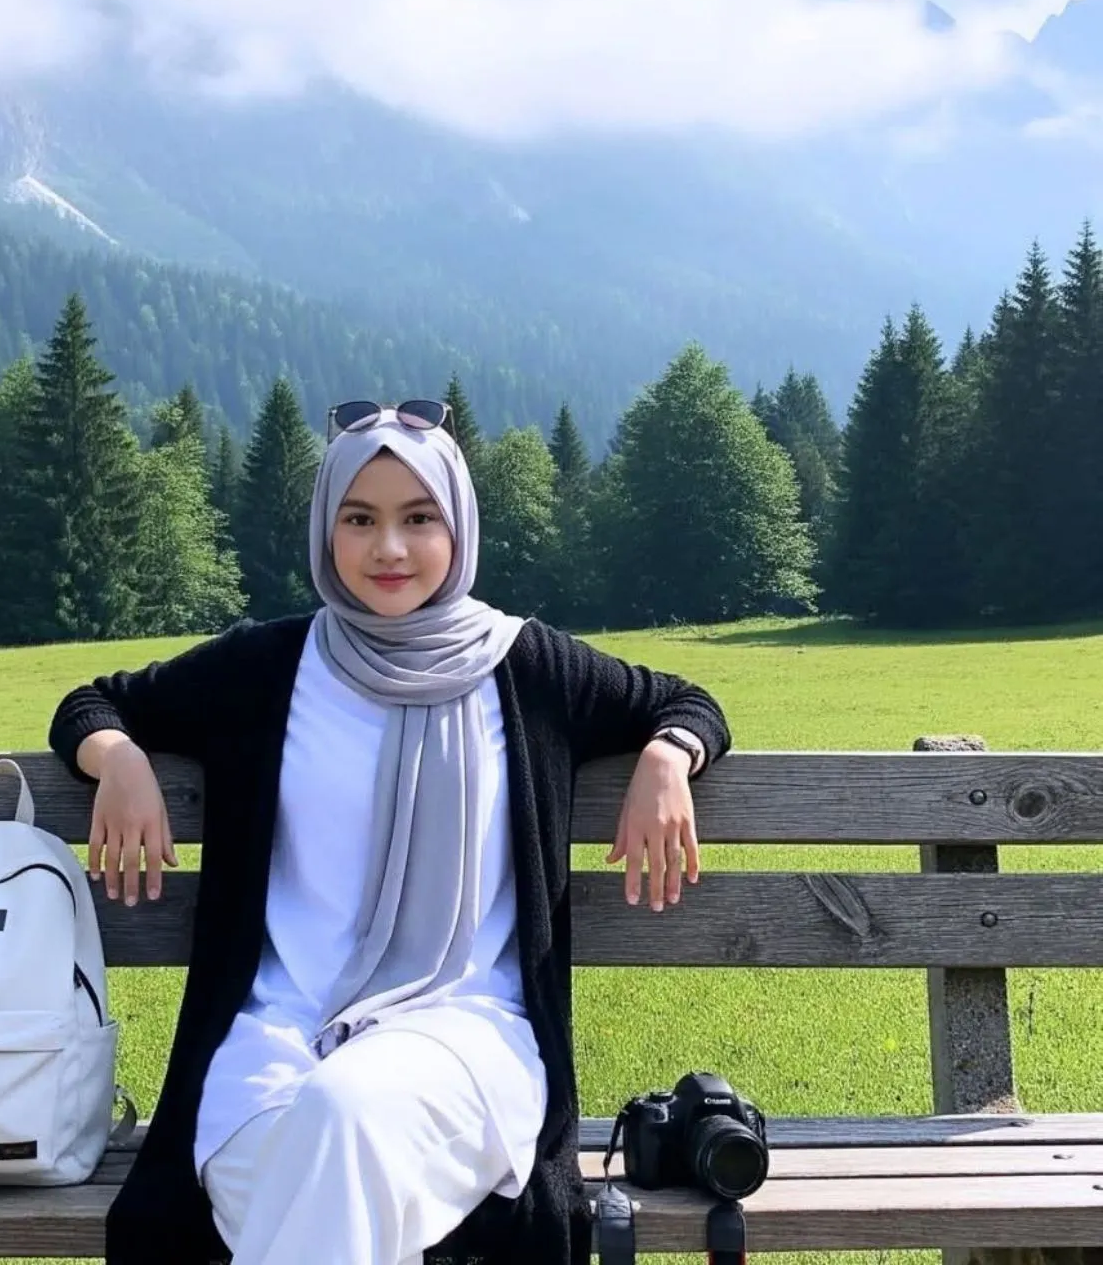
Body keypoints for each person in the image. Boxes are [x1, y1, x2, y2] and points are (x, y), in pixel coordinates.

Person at [48, 398, 732, 1265]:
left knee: (341, 1122)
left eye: (419, 518)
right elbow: (93, 703)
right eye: (359, 519)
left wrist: (668, 756)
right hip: (275, 1033)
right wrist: (118, 758)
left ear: (459, 528)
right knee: (313, 1168)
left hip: (466, 1030)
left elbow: (686, 703)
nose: (390, 549)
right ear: (325, 531)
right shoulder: (265, 667)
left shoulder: (528, 667)